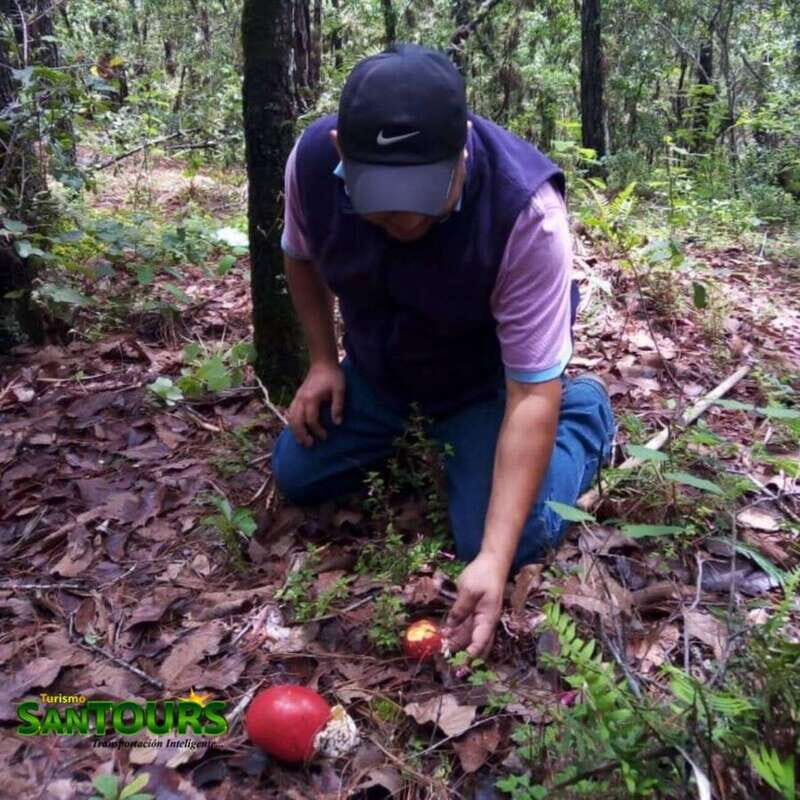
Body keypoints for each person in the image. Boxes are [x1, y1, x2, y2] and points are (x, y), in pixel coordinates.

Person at [271, 43, 615, 660]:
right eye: (382, 200)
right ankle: (409, 425)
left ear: (461, 152)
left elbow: (531, 393)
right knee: (299, 473)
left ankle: (587, 413)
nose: (404, 221)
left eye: (425, 196)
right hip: (383, 365)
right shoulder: (309, 163)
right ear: (343, 156)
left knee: (515, 537)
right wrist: (323, 362)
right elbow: (300, 257)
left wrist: (491, 558)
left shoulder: (527, 214)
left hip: (485, 382)